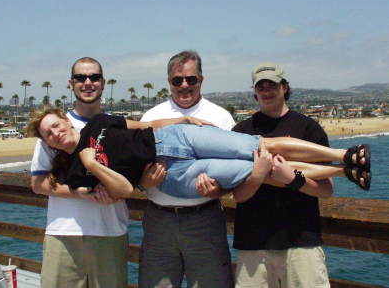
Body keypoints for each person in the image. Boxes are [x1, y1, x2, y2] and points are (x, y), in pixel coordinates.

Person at [28, 108, 370, 201]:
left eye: (56, 125)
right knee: (259, 169)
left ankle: (344, 153)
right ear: (50, 143)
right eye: (49, 134)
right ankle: (343, 173)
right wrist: (90, 164)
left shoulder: (98, 123)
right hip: (171, 176)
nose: (56, 133)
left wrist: (182, 119)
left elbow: (140, 124)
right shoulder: (77, 171)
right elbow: (123, 192)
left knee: (259, 144)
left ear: (64, 120)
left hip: (173, 137)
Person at [232, 62, 370, 288]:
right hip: (253, 245)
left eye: (272, 85)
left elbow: (326, 189)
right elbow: (238, 195)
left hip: (301, 244)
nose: (267, 92)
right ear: (254, 92)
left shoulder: (309, 129)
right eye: (261, 87)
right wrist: (258, 175)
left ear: (284, 87)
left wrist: (292, 179)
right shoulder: (241, 132)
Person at [139, 50, 237, 288]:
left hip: (206, 219)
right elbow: (134, 170)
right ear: (169, 82)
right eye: (177, 80)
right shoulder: (151, 117)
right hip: (158, 221)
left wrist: (218, 190)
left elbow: (236, 172)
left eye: (191, 79)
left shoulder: (221, 118)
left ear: (201, 80)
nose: (184, 85)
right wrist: (144, 182)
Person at [30, 57, 130, 288]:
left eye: (94, 77)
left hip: (110, 231)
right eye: (80, 78)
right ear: (71, 83)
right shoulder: (55, 127)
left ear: (103, 82)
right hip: (62, 233)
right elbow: (38, 183)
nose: (88, 82)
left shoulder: (115, 126)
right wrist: (80, 193)